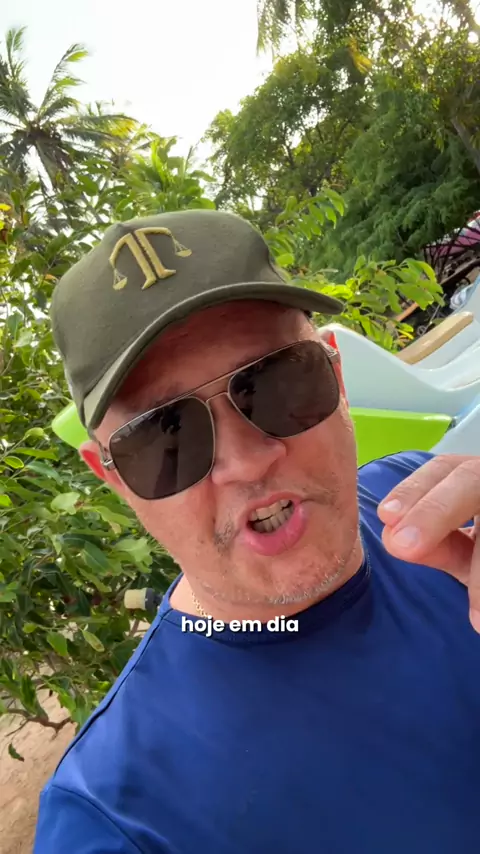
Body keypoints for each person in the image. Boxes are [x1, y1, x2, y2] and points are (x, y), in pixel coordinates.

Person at [34, 210, 480, 854]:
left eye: (277, 381)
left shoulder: (430, 499)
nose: (246, 461)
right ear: (114, 479)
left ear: (337, 377)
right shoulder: (120, 819)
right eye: (166, 436)